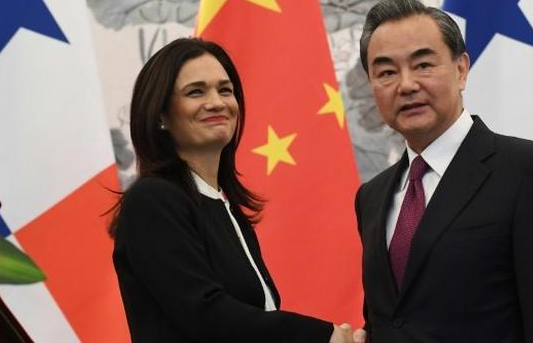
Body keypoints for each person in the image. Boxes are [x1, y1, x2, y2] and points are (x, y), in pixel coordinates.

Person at [354, 0, 533, 342]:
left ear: (461, 69)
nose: (406, 85)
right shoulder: (371, 197)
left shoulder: (530, 172)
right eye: (387, 72)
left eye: (423, 65)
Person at [110, 38, 364, 342]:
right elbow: (205, 315)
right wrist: (323, 337)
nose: (217, 102)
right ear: (161, 115)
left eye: (225, 90)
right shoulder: (152, 200)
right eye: (196, 92)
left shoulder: (226, 207)